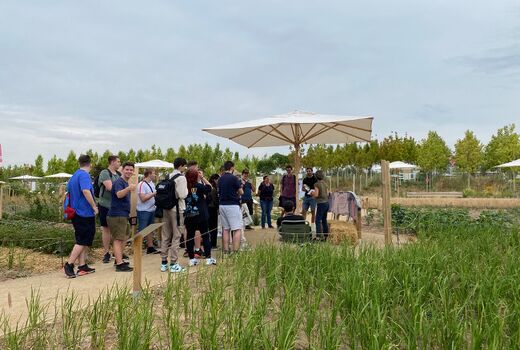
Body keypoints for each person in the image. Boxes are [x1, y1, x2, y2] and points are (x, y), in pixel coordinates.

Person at [63, 154, 98, 278]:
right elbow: (86, 190)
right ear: (90, 163)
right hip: (84, 212)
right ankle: (69, 264)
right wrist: (94, 206)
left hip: (75, 211)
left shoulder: (74, 176)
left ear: (79, 163)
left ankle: (82, 266)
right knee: (83, 239)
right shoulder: (84, 175)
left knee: (82, 240)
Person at [160, 157, 189, 272]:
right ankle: (173, 263)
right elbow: (182, 195)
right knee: (176, 236)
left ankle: (163, 262)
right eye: (184, 166)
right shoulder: (181, 178)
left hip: (166, 208)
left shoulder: (168, 176)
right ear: (181, 166)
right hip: (177, 210)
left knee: (166, 235)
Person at [107, 162, 136, 272]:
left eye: (131, 170)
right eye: (127, 169)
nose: (129, 171)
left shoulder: (124, 182)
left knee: (123, 237)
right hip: (117, 215)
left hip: (123, 214)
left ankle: (119, 260)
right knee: (118, 239)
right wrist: (128, 189)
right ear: (122, 170)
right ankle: (119, 264)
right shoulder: (119, 182)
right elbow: (119, 194)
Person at [184, 169, 216, 266]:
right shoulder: (199, 186)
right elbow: (210, 187)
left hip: (189, 214)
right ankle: (208, 258)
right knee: (205, 235)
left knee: (190, 236)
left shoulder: (185, 186)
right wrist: (202, 178)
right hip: (201, 214)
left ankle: (191, 259)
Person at [97, 155, 121, 263]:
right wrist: (122, 188)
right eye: (118, 162)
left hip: (116, 206)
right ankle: (106, 252)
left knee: (116, 230)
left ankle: (117, 252)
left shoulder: (119, 174)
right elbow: (110, 188)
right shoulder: (105, 173)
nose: (119, 164)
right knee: (106, 229)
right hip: (105, 205)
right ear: (112, 162)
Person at [218, 160, 243, 253]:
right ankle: (236, 250)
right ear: (232, 167)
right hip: (232, 205)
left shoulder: (220, 178)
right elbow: (241, 192)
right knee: (237, 229)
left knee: (225, 228)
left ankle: (226, 250)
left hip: (222, 205)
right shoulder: (234, 178)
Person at [137, 168, 159, 254]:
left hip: (151, 209)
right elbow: (143, 198)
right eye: (154, 173)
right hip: (144, 210)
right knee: (142, 229)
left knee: (150, 229)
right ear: (149, 174)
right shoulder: (141, 184)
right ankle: (137, 248)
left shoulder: (152, 184)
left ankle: (150, 247)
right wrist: (154, 193)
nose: (155, 175)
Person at [312, 170, 329, 239]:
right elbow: (328, 194)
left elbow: (316, 194)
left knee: (317, 220)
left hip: (321, 203)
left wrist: (312, 193)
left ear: (316, 176)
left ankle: (318, 236)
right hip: (326, 203)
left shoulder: (316, 184)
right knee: (324, 220)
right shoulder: (325, 184)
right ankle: (326, 235)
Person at [207, 174, 220, 248]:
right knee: (214, 227)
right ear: (215, 179)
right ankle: (213, 244)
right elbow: (215, 201)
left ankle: (209, 243)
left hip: (207, 209)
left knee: (208, 227)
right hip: (212, 209)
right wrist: (218, 208)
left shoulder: (207, 186)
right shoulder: (213, 189)